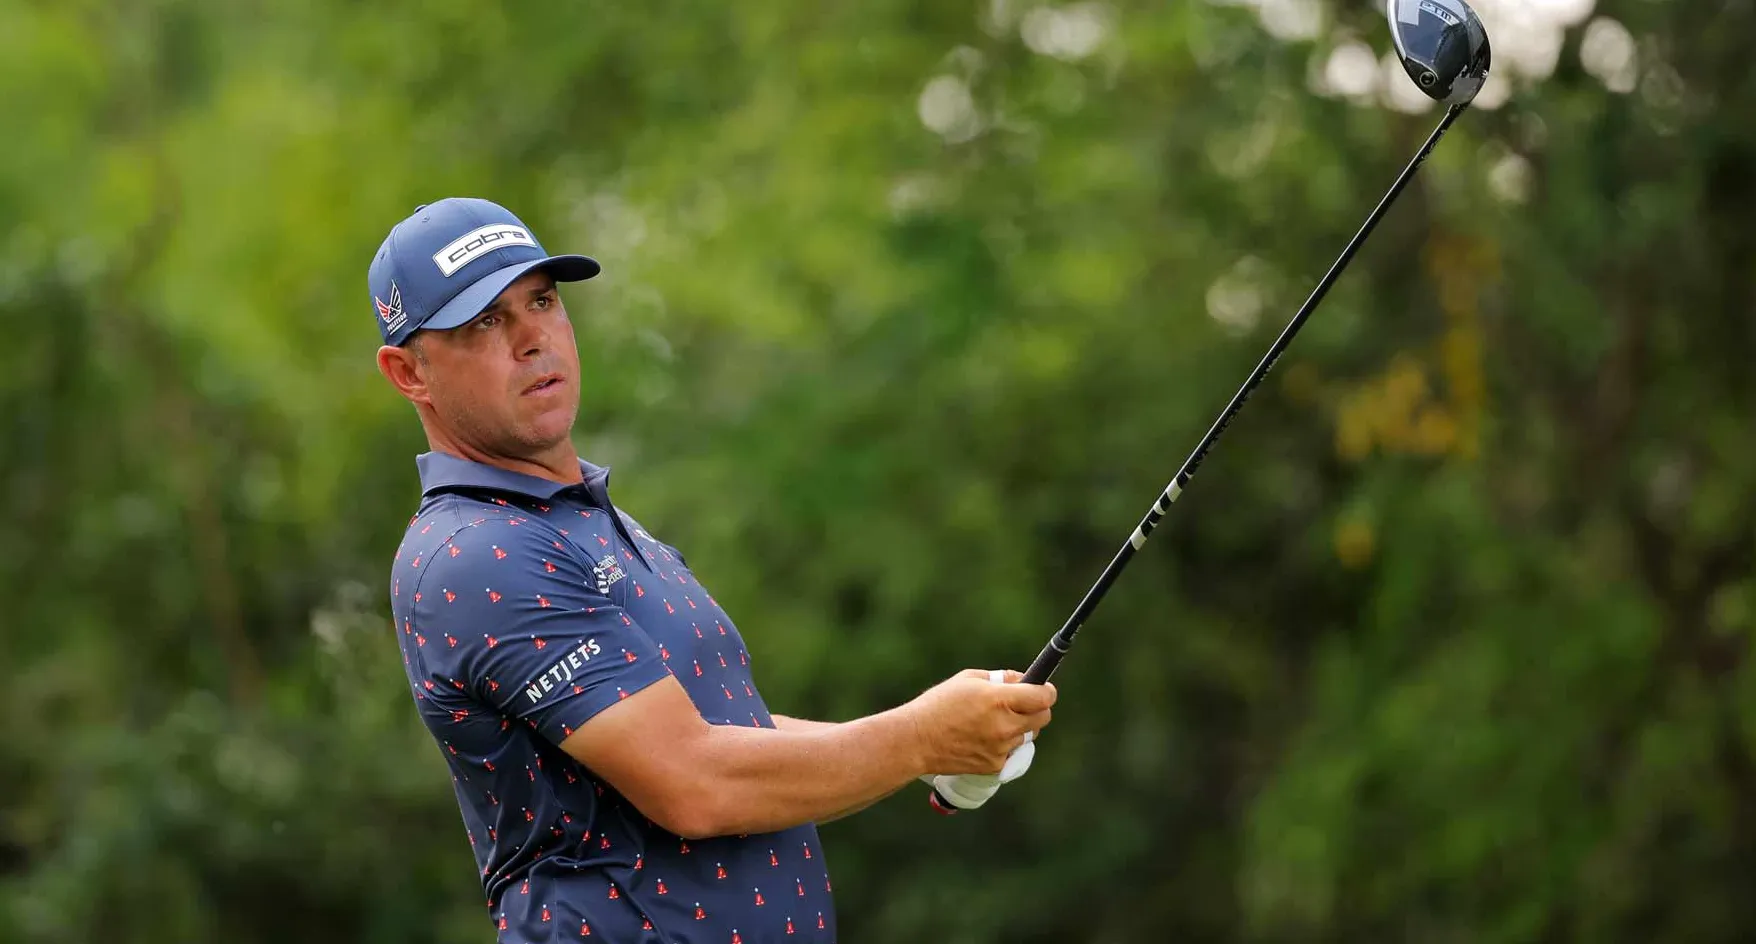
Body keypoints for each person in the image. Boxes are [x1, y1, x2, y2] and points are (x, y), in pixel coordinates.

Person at [369, 197, 1056, 942]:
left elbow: (735, 734)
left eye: (542, 301)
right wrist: (919, 737)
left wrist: (919, 748)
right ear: (410, 373)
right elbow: (695, 781)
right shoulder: (475, 554)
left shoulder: (595, 526)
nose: (534, 338)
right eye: (486, 322)